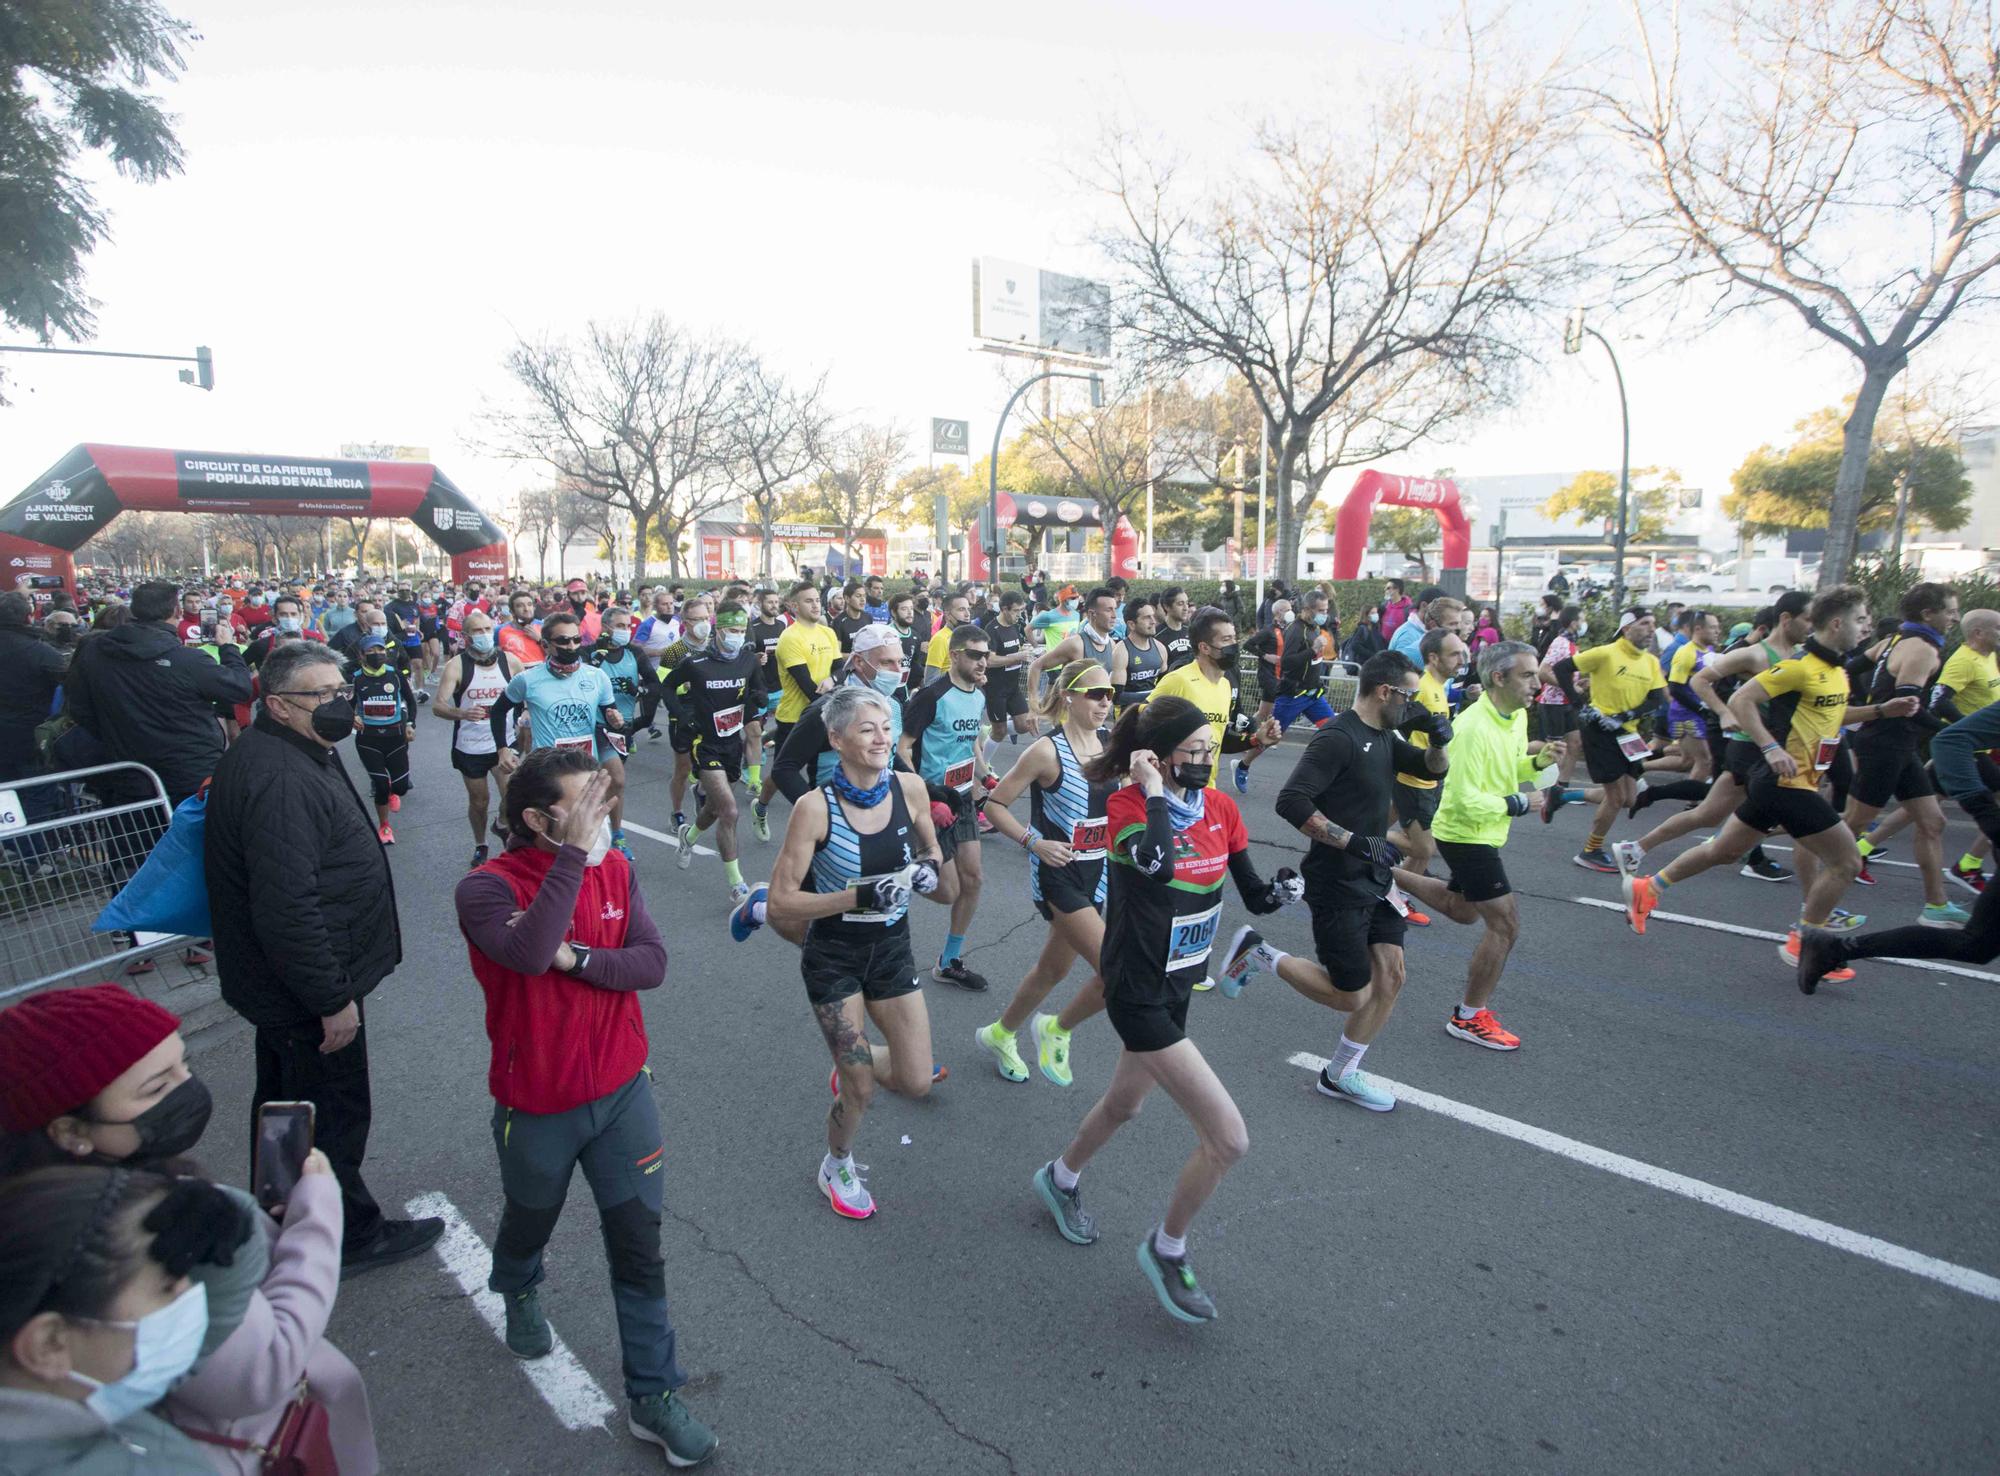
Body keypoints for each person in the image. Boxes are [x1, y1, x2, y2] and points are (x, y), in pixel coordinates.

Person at [454, 752, 717, 1466]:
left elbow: (650, 964)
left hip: (624, 1092)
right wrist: (570, 859)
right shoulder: (485, 888)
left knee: (639, 1245)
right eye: (587, 805)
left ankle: (653, 1394)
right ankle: (518, 1283)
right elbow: (531, 952)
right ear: (536, 819)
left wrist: (582, 961)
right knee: (529, 1217)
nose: (603, 819)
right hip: (536, 1103)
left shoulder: (618, 869)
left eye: (607, 802)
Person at [0, 984, 380, 1475]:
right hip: (252, 1445)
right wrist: (317, 1217)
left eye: (184, 1066)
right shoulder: (141, 1236)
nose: (188, 1091)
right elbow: (258, 1373)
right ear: (70, 1132)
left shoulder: (91, 1190)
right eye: (156, 1088)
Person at [1031, 695, 1296, 1324]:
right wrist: (1150, 790)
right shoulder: (1126, 807)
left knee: (1126, 1103)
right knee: (1228, 1138)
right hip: (1138, 986)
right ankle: (1166, 1245)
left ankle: (1060, 1178)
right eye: (1195, 751)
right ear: (1157, 756)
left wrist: (1283, 891)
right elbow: (1155, 865)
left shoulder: (1222, 808)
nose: (1207, 760)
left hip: (1181, 981)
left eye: (1211, 749)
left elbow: (1253, 895)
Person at [206, 640, 443, 1274]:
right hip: (307, 988)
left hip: (291, 984)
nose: (341, 703)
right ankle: (348, 1235)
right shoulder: (278, 775)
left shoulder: (293, 748)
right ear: (279, 706)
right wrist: (330, 998)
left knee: (289, 1106)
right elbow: (287, 905)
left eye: (343, 691)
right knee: (331, 1113)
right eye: (324, 696)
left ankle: (282, 1215)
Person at [1623, 586, 1916, 975]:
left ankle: (1649, 887)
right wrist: (1770, 747)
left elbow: (1834, 716)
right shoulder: (1797, 666)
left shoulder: (1834, 670)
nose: (1866, 628)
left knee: (1724, 850)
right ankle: (1804, 941)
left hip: (1795, 782)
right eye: (1861, 620)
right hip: (1784, 783)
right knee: (1846, 861)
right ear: (1837, 622)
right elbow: (1743, 699)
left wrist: (1882, 710)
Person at [1226, 650, 1445, 1108]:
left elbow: (1429, 768)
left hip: (1376, 878)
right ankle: (1262, 954)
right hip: (1337, 882)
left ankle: (1341, 1073)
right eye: (1408, 696)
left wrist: (1439, 738)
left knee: (1392, 975)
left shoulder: (1385, 735)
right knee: (1351, 995)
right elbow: (1292, 801)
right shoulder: (1338, 738)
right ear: (1385, 691)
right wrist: (1353, 842)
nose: (1411, 705)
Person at [765, 686, 946, 1221]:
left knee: (914, 1081)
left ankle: (853, 1068)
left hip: (891, 950)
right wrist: (857, 896)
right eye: (867, 730)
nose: (882, 738)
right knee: (861, 1088)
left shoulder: (909, 788)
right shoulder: (813, 808)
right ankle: (836, 1162)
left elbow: (930, 846)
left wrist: (929, 867)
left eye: (887, 728)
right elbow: (782, 901)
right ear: (837, 738)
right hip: (834, 956)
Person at [0, 1166, 246, 1474]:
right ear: (50, 1343)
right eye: (167, 1287)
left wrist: (234, 1216)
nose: (189, 1292)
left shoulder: (86, 1401)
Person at [1384, 641, 1556, 1052]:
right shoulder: (1473, 728)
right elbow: (1459, 798)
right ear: (1499, 678)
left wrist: (1537, 762)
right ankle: (1469, 1016)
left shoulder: (1515, 716)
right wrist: (1516, 803)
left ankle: (1381, 871)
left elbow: (1508, 767)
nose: (1537, 683)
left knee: (1462, 911)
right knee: (1505, 924)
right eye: (1528, 675)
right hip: (1465, 832)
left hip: (1486, 829)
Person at [974, 660, 1116, 1086]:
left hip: (1100, 873)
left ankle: (1000, 1033)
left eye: (1110, 694)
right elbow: (995, 805)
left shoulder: (1112, 744)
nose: (1105, 702)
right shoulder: (1046, 751)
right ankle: (1057, 1028)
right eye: (1095, 694)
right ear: (1069, 696)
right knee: (1117, 970)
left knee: (1052, 970)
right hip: (1060, 874)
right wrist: (1033, 843)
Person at [1798, 694, 2000, 990]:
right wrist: (1986, 812)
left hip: (1895, 750)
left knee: (1977, 946)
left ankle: (1834, 950)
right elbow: (1950, 740)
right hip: (1882, 748)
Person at [1607, 594, 1809, 885]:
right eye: (1808, 620)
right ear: (1786, 619)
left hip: (1775, 749)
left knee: (1709, 815)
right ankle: (1813, 909)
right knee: (1805, 821)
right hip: (1752, 748)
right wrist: (1723, 712)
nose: (1811, 627)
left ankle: (1636, 849)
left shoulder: (1801, 655)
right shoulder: (1753, 653)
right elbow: (1697, 682)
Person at [1842, 582, 1969, 927]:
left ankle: (1936, 906)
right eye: (1951, 611)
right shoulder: (1920, 650)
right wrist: (1956, 734)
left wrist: (1854, 699)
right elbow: (1908, 706)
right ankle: (1769, 838)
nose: (1955, 618)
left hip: (1899, 744)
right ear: (1929, 614)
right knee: (1848, 825)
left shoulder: (1892, 640)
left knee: (1933, 821)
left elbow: (1846, 669)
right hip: (1885, 744)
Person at [64, 580, 253, 808]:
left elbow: (79, 707)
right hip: (183, 776)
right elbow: (240, 687)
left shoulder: (93, 651)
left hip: (133, 771)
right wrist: (228, 647)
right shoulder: (188, 661)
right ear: (177, 611)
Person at [900, 623, 994, 990]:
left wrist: (987, 777)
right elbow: (903, 748)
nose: (983, 662)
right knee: (948, 890)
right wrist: (924, 794)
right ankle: (898, 874)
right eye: (975, 655)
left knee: (974, 880)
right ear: (955, 655)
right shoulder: (931, 696)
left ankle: (949, 961)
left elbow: (971, 744)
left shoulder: (978, 696)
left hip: (962, 797)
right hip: (932, 801)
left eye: (986, 655)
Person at [662, 599, 767, 905]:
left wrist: (758, 698)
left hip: (732, 743)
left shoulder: (747, 660)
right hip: (704, 744)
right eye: (731, 629)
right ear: (718, 630)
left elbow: (758, 689)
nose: (737, 635)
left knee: (714, 809)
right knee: (731, 811)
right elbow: (666, 687)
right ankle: (737, 883)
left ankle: (688, 837)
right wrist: (683, 716)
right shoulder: (695, 663)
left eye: (741, 629)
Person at [1554, 607, 1667, 873]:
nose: (1651, 629)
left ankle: (1563, 796)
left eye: (1653, 624)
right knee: (1615, 798)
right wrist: (1581, 705)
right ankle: (1590, 850)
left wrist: (1626, 715)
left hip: (1628, 733)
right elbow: (1561, 668)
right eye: (1644, 623)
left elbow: (1657, 698)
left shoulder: (1650, 662)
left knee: (1630, 798)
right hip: (1599, 730)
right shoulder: (1606, 653)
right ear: (1627, 628)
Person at [433, 606, 520, 867]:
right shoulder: (456, 665)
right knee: (480, 801)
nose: (483, 635)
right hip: (470, 746)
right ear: (467, 636)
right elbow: (439, 706)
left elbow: (528, 694)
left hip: (502, 742)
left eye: (487, 629)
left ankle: (502, 825)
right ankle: (480, 843)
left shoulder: (510, 661)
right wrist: (461, 713)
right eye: (477, 631)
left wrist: (525, 717)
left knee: (513, 796)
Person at [1385, 626, 1466, 898]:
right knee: (1423, 848)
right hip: (1413, 778)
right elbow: (1393, 722)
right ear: (1433, 658)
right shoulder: (1421, 688)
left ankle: (1395, 897)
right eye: (1454, 654)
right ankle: (1362, 837)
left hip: (1431, 777)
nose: (1462, 660)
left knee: (1420, 848)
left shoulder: (1440, 687)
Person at [756, 582, 839, 825]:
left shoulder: (828, 633)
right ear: (793, 606)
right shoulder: (789, 638)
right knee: (782, 772)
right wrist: (835, 703)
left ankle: (819, 823)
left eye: (817, 600)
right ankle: (761, 806)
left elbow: (840, 670)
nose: (816, 604)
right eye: (808, 601)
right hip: (795, 718)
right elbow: (807, 686)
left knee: (820, 776)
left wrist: (833, 679)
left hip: (825, 715)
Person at [586, 606, 656, 860]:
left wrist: (639, 691)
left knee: (609, 783)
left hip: (622, 726)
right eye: (620, 626)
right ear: (605, 628)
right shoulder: (590, 652)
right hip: (594, 724)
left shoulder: (634, 653)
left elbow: (654, 682)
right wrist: (595, 657)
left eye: (628, 626)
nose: (626, 631)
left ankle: (611, 832)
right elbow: (578, 679)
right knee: (616, 778)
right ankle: (614, 835)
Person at [346, 631, 417, 845]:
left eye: (380, 649)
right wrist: (352, 717)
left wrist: (410, 724)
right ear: (362, 655)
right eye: (371, 651)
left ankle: (393, 789)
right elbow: (346, 707)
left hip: (396, 737)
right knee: (381, 786)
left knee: (401, 788)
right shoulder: (355, 678)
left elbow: (411, 702)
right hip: (368, 740)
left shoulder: (394, 674)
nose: (377, 654)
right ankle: (384, 825)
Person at [1027, 587, 1121, 698]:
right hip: (1069, 710)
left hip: (1099, 713)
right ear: (1092, 614)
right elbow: (1036, 666)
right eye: (1108, 610)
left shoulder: (1111, 644)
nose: (1114, 615)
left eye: (1115, 609)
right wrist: (1033, 705)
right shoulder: (1075, 645)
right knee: (1050, 697)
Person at [978, 590, 1036, 759]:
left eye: (1021, 610)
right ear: (1004, 609)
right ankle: (984, 766)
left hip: (1013, 686)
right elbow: (989, 660)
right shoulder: (992, 629)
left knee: (1025, 725)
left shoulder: (1015, 626)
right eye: (1016, 611)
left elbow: (1014, 649)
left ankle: (996, 728)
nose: (1019, 615)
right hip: (996, 689)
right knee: (1000, 731)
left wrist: (1024, 650)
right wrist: (1017, 657)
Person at [1110, 596, 1166, 712]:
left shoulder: (1160, 648)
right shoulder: (1121, 651)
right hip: (1128, 717)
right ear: (1131, 624)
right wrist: (1152, 696)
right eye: (1147, 618)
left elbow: (1165, 687)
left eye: (1153, 616)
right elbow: (1116, 697)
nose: (1153, 621)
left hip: (1152, 715)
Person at [1154, 587, 1196, 669]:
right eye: (1180, 604)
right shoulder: (1156, 635)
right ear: (1167, 607)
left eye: (1187, 603)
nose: (1186, 608)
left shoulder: (1192, 632)